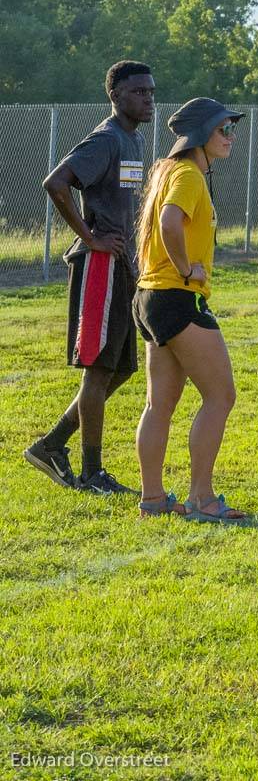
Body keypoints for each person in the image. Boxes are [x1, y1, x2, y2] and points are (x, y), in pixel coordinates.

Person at [25, 61, 155, 495]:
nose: (148, 98)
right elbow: (56, 183)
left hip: (121, 268)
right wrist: (92, 238)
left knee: (120, 368)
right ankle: (91, 471)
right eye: (139, 92)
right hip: (98, 265)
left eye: (151, 91)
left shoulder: (132, 139)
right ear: (115, 96)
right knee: (98, 370)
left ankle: (53, 444)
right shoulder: (106, 138)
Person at [132, 98, 247, 522]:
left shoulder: (169, 170)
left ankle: (154, 499)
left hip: (150, 297)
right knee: (220, 396)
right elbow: (168, 221)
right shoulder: (188, 174)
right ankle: (202, 498)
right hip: (177, 296)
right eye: (224, 130)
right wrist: (187, 268)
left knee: (158, 404)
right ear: (202, 134)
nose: (230, 137)